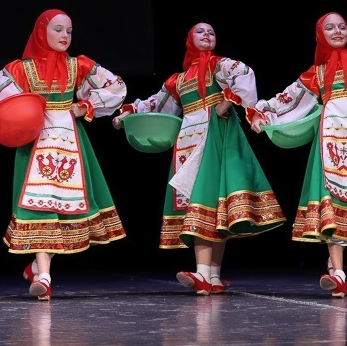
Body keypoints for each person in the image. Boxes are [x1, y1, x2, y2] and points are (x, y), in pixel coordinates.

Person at [0, 9, 127, 301]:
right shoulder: (21, 69)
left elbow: (117, 86)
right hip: (35, 141)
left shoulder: (79, 65)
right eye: (58, 30)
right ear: (42, 32)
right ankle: (45, 275)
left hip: (70, 143)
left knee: (62, 207)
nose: (65, 36)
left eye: (69, 31)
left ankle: (39, 268)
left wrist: (85, 105)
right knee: (41, 205)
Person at [112, 22, 286, 295]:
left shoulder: (219, 66)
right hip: (187, 140)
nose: (207, 35)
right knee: (209, 205)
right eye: (200, 32)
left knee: (209, 201)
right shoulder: (177, 80)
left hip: (217, 136)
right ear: (188, 40)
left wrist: (227, 101)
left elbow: (245, 74)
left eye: (212, 32)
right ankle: (213, 276)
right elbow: (156, 105)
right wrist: (127, 116)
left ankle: (205, 273)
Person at [248, 12, 347, 297]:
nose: (337, 31)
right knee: (331, 203)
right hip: (330, 140)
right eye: (330, 27)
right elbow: (289, 100)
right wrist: (263, 114)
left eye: (342, 26)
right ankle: (338, 272)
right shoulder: (317, 73)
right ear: (320, 35)